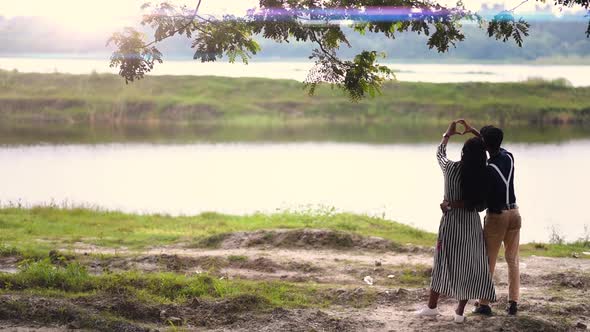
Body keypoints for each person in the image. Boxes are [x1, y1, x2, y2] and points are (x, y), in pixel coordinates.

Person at [416, 120, 496, 323]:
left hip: (451, 224)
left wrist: (448, 134)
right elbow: (487, 146)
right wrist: (475, 133)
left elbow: (440, 154)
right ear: (482, 155)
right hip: (471, 226)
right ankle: (459, 313)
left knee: (443, 262)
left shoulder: (451, 169)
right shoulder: (483, 173)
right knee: (470, 265)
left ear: (462, 153)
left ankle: (432, 307)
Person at [459, 121, 521, 316]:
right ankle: (513, 303)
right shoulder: (508, 158)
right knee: (513, 260)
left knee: (488, 262)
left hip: (497, 217)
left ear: (485, 144)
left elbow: (481, 203)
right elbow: (492, 145)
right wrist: (475, 131)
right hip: (515, 213)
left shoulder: (487, 170)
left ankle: (484, 304)